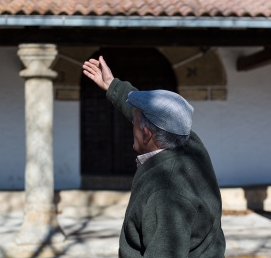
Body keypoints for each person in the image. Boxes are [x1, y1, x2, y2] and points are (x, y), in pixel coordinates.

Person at [83, 56, 226, 258]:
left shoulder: (166, 193)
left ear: (147, 133)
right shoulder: (189, 142)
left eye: (135, 120)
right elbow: (149, 114)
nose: (132, 122)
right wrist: (112, 85)